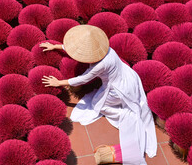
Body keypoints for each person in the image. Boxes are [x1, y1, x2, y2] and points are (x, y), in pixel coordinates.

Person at [40, 25, 157, 165]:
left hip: (119, 87)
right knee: (100, 100)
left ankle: (127, 126)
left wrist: (58, 82)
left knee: (100, 105)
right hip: (127, 76)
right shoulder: (106, 50)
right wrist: (57, 47)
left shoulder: (101, 64)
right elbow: (80, 50)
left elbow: (84, 78)